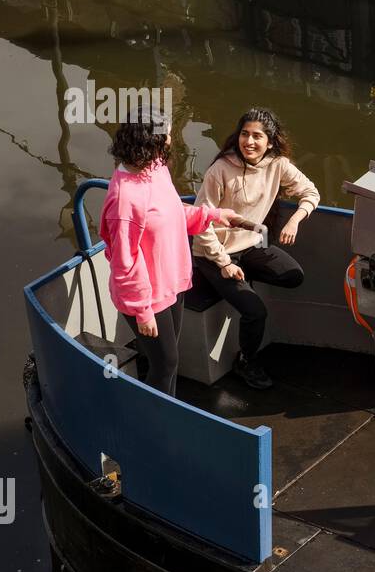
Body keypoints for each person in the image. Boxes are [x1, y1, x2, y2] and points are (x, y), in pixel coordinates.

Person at [100, 122, 243, 396]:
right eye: (166, 135)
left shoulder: (156, 169)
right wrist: (142, 311)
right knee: (165, 363)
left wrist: (213, 215)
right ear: (149, 143)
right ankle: (155, 426)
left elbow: (173, 212)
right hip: (146, 297)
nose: (170, 139)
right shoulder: (124, 199)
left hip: (172, 281)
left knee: (170, 358)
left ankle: (167, 413)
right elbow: (125, 261)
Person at [192, 108, 320, 390]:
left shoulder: (278, 165)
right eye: (245, 134)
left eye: (257, 136)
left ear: (270, 142)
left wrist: (295, 220)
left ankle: (242, 279)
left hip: (250, 246)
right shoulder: (220, 170)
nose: (249, 142)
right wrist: (224, 263)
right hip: (214, 253)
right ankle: (246, 362)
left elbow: (310, 192)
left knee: (292, 275)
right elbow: (202, 224)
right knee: (255, 311)